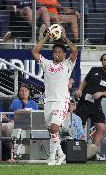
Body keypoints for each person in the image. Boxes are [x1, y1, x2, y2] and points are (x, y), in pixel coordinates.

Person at [31, 28, 78, 165]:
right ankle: (61, 155)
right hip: (48, 102)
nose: (57, 54)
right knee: (52, 132)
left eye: (60, 52)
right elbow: (34, 52)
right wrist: (46, 37)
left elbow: (74, 51)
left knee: (54, 128)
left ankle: (52, 158)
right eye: (55, 52)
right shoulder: (47, 64)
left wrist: (65, 38)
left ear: (64, 55)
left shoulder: (68, 64)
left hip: (61, 101)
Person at [75, 53, 106, 159]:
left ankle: (92, 153)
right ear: (102, 61)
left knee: (101, 128)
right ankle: (77, 152)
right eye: (104, 60)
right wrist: (79, 89)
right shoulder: (94, 70)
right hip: (84, 102)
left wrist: (101, 93)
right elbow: (85, 81)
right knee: (79, 127)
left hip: (96, 105)